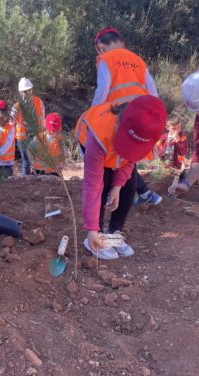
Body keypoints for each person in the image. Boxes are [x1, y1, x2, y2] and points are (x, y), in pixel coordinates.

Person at [82, 95, 166, 260]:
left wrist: (118, 186)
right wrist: (91, 228)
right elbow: (92, 185)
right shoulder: (99, 132)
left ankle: (113, 233)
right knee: (103, 181)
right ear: (120, 123)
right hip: (96, 147)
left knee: (129, 184)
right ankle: (94, 236)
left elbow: (130, 159)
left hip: (114, 148)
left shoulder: (148, 129)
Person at [90, 26, 163, 206]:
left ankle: (138, 195)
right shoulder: (138, 60)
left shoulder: (105, 59)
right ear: (122, 42)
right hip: (141, 115)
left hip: (119, 116)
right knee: (129, 157)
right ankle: (145, 194)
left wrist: (93, 116)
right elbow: (152, 91)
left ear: (100, 47)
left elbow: (102, 90)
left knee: (120, 158)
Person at [11, 78, 45, 176]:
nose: (28, 92)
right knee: (26, 162)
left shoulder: (39, 102)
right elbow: (11, 122)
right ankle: (27, 183)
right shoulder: (16, 106)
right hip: (22, 138)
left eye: (29, 90)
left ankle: (40, 181)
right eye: (25, 91)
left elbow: (42, 118)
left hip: (37, 136)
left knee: (38, 160)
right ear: (20, 92)